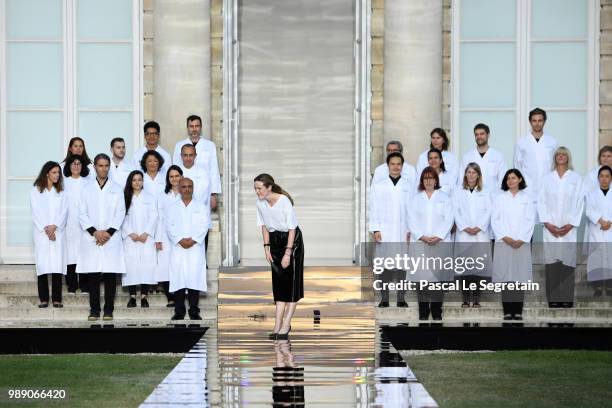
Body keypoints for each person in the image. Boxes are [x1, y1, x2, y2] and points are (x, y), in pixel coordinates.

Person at [254, 174, 304, 339]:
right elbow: (263, 226)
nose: (257, 191)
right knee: (279, 283)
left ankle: (286, 323)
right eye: (255, 188)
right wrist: (266, 247)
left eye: (259, 188)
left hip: (292, 242)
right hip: (274, 241)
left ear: (269, 187)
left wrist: (288, 253)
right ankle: (277, 324)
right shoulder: (260, 203)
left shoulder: (284, 201)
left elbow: (292, 228)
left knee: (291, 284)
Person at [77, 154, 126, 321]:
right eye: (100, 165)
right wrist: (95, 232)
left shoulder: (117, 188)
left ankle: (109, 309)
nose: (103, 168)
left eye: (106, 166)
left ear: (109, 168)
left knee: (110, 275)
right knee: (93, 275)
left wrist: (108, 233)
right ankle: (94, 309)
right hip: (93, 238)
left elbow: (120, 212)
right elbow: (82, 213)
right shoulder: (86, 188)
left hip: (110, 238)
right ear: (95, 167)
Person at [537, 147, 584, 308]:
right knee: (552, 265)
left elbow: (579, 203)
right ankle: (553, 300)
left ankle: (566, 300)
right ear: (555, 158)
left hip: (569, 230)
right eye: (558, 154)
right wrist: (548, 224)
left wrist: (569, 225)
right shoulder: (546, 178)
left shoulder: (576, 179)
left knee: (567, 265)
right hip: (550, 230)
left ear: (568, 157)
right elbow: (541, 202)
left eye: (564, 154)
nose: (561, 156)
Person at [407, 167, 455, 320]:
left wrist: (438, 236)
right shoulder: (415, 199)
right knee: (422, 280)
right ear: (422, 181)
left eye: (431, 178)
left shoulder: (445, 198)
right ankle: (423, 311)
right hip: (420, 243)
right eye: (425, 178)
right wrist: (422, 237)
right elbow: (411, 220)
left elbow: (449, 219)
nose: (428, 181)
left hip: (439, 243)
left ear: (436, 180)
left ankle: (436, 311)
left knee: (437, 280)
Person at [491, 169, 536, 321]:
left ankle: (518, 311)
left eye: (513, 178)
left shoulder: (527, 199)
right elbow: (495, 220)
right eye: (508, 178)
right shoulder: (499, 198)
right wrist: (506, 237)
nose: (511, 181)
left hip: (521, 244)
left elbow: (531, 220)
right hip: (504, 243)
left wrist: (522, 239)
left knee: (519, 277)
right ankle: (507, 311)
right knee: (506, 277)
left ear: (520, 180)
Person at [369, 152, 413, 307]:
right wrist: (375, 229)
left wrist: (411, 230)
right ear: (388, 166)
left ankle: (401, 297)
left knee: (402, 266)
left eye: (398, 164)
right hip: (385, 231)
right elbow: (374, 209)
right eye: (393, 164)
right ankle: (385, 298)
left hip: (403, 231)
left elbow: (412, 210)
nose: (396, 167)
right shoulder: (379, 186)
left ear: (402, 166)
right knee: (385, 265)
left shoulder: (409, 185)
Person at [167, 178, 211, 320]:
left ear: (193, 188)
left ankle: (194, 311)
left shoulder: (201, 207)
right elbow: (169, 226)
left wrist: (193, 240)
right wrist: (180, 240)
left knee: (194, 278)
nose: (187, 189)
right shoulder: (172, 208)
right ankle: (179, 311)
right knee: (178, 278)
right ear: (179, 189)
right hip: (178, 247)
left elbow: (204, 225)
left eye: (189, 187)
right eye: (184, 187)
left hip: (195, 247)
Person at [30, 161, 68, 308]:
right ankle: (44, 299)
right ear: (46, 173)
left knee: (57, 265)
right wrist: (47, 229)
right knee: (42, 265)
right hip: (42, 233)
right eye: (54, 172)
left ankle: (57, 299)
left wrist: (55, 227)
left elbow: (64, 212)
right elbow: (36, 212)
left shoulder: (61, 192)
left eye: (58, 172)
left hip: (57, 232)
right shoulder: (36, 190)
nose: (57, 175)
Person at [454, 163, 492, 308]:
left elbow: (489, 210)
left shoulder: (485, 191)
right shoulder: (458, 191)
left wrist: (479, 227)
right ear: (465, 174)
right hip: (464, 234)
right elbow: (455, 211)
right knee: (465, 268)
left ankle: (476, 298)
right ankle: (465, 298)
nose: (471, 175)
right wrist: (465, 227)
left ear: (478, 175)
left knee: (478, 268)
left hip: (480, 234)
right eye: (468, 172)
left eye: (474, 172)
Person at [121, 170, 158, 308]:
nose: (137, 182)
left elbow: (153, 216)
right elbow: (121, 217)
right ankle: (131, 296)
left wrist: (146, 233)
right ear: (130, 182)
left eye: (140, 179)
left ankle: (143, 296)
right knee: (131, 266)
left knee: (146, 265)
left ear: (143, 181)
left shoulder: (149, 197)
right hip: (130, 238)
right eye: (134, 180)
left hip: (145, 238)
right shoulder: (124, 197)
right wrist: (130, 233)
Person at [172, 115, 221, 210]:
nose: (194, 129)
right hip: (183, 191)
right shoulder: (179, 145)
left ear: (201, 127)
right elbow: (175, 171)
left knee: (202, 218)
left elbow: (214, 170)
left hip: (203, 191)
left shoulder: (210, 145)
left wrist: (213, 194)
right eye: (191, 126)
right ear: (187, 128)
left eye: (197, 126)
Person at [155, 165, 184, 307]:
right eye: (171, 176)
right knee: (165, 266)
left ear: (181, 177)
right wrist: (158, 239)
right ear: (168, 178)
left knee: (179, 265)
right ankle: (170, 296)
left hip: (182, 235)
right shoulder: (162, 195)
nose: (174, 179)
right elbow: (159, 218)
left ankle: (180, 295)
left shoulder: (187, 194)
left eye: (177, 176)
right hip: (165, 235)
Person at [514, 108, 558, 192]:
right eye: (534, 121)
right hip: (527, 189)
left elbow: (556, 165)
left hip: (548, 188)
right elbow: (517, 167)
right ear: (530, 122)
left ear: (544, 121)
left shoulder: (552, 142)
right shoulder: (521, 143)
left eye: (540, 120)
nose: (537, 124)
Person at [63, 155, 90, 294]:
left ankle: (85, 285)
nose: (76, 166)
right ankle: (72, 285)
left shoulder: (88, 182)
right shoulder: (63, 183)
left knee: (83, 253)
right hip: (69, 223)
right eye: (73, 164)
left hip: (84, 224)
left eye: (79, 164)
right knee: (70, 254)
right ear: (69, 166)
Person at [585, 165, 612, 297]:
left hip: (610, 229)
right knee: (597, 258)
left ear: (611, 178)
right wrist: (601, 221)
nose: (604, 179)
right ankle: (598, 287)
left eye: (607, 176)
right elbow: (589, 211)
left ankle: (610, 286)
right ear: (598, 178)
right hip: (597, 229)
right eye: (602, 176)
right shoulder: (591, 194)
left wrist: (609, 223)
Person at [460, 123, 507, 192]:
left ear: (488, 135)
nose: (479, 137)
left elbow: (503, 179)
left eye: (482, 134)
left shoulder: (498, 156)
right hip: (472, 197)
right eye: (476, 134)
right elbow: (462, 179)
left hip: (492, 197)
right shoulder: (467, 157)